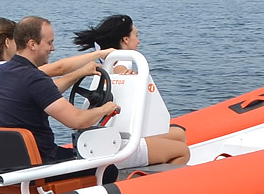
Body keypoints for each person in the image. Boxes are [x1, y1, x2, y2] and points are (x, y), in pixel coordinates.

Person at [0, 16, 120, 163]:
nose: (53, 48)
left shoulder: (2, 72)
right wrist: (105, 109)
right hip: (41, 162)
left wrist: (80, 73)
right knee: (109, 167)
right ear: (32, 44)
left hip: (9, 159)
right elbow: (77, 121)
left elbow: (45, 93)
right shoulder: (35, 79)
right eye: (49, 43)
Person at [72, 14, 190, 166]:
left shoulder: (106, 61)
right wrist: (125, 74)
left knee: (179, 134)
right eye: (136, 35)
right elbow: (120, 68)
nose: (139, 41)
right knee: (183, 150)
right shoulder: (123, 60)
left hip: (110, 134)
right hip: (121, 143)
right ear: (126, 40)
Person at [0, 17, 112, 126]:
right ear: (7, 43)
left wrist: (80, 73)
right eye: (17, 41)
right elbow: (58, 70)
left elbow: (42, 90)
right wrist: (98, 54)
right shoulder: (8, 70)